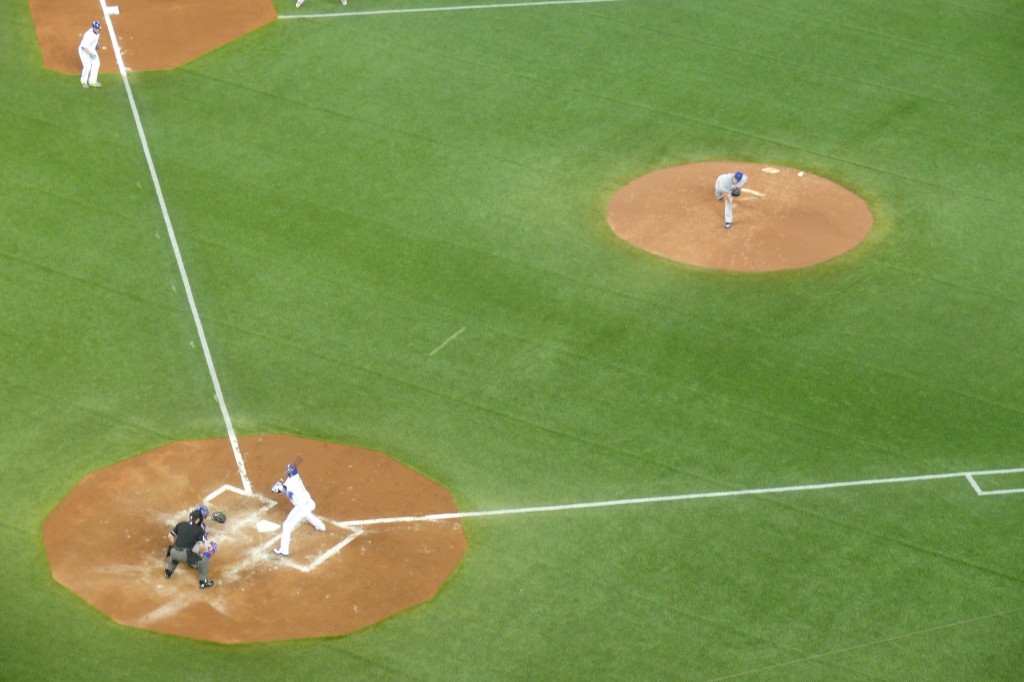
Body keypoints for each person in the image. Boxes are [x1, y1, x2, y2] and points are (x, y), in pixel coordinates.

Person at [271, 462, 326, 556]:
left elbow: (288, 493)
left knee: (287, 526)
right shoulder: (295, 477)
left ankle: (284, 551)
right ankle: (321, 527)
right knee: (306, 514)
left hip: (302, 506)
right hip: (309, 503)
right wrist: (278, 488)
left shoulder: (292, 482)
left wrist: (277, 489)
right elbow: (286, 488)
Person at [165, 509, 216, 589]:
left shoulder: (181, 524)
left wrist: (175, 544)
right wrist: (199, 555)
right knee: (204, 560)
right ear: (198, 520)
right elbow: (201, 546)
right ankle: (203, 582)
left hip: (173, 552)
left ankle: (168, 572)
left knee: (176, 553)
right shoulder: (199, 530)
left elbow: (170, 535)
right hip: (186, 555)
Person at [78, 20, 102, 89]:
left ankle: (92, 81)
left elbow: (96, 39)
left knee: (96, 63)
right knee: (87, 66)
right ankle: (83, 81)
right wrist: (90, 55)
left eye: (99, 28)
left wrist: (97, 45)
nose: (98, 30)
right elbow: (83, 47)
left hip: (91, 49)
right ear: (93, 28)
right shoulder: (88, 35)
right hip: (84, 51)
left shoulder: (97, 32)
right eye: (97, 29)